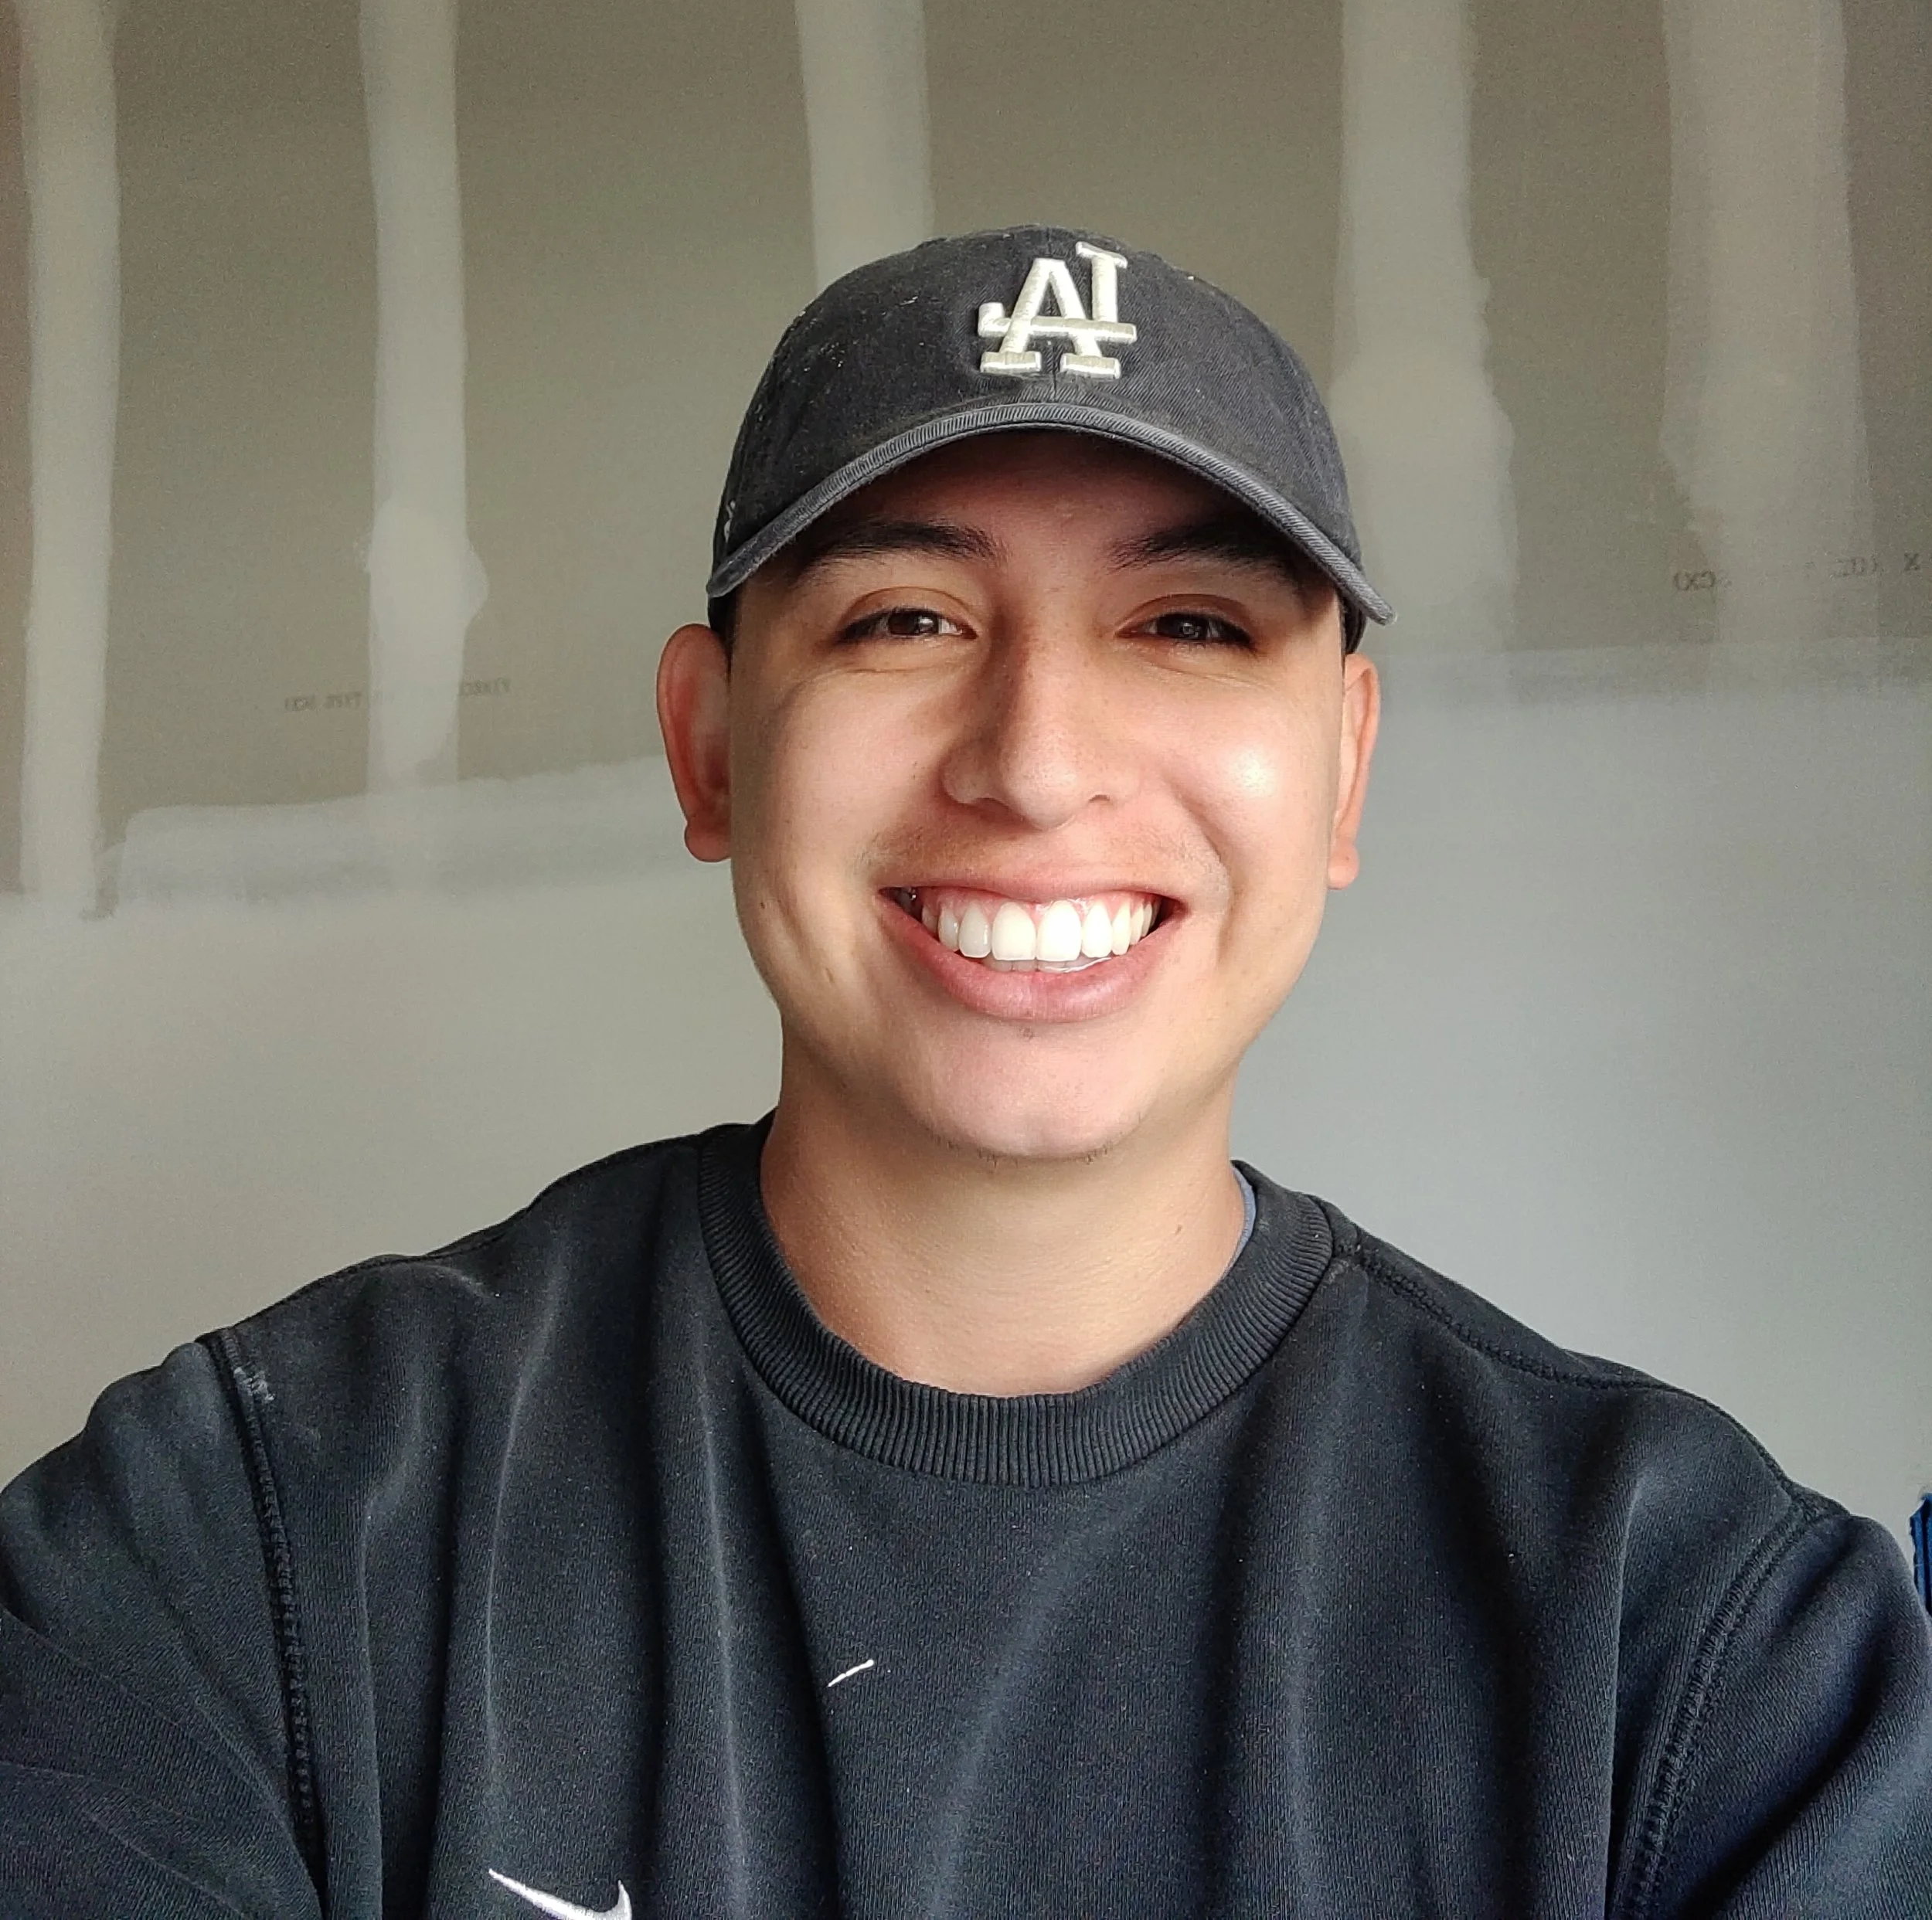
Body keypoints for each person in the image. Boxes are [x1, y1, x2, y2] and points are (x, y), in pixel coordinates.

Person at [2, 225, 1928, 1918]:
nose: (1031, 757)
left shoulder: (1698, 1644)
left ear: (1341, 769)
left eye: (1187, 625)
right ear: (709, 749)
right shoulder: (242, 1537)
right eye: (903, 620)